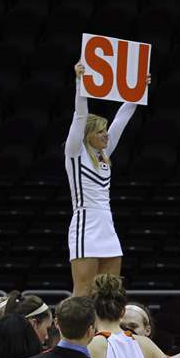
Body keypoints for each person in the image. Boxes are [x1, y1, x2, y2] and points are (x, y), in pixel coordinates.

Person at [66, 63, 147, 297]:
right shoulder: (74, 152)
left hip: (107, 225)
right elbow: (80, 115)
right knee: (83, 291)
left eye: (105, 131)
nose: (106, 135)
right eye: (101, 131)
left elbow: (121, 120)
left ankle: (107, 333)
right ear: (88, 133)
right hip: (85, 224)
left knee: (111, 292)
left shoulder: (104, 154)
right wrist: (80, 83)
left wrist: (137, 91)